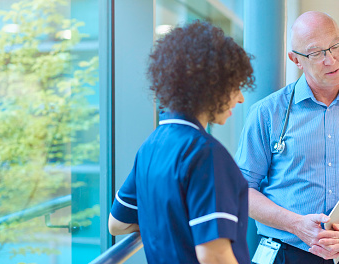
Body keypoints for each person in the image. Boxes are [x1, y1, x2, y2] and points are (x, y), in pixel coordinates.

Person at [235, 11, 339, 263]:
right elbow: (242, 190)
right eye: (316, 53)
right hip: (288, 251)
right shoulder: (268, 113)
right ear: (295, 60)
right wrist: (295, 224)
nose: (330, 59)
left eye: (335, 46)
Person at [107, 21, 255, 264]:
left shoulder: (150, 147)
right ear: (211, 85)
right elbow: (214, 255)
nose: (240, 98)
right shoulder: (206, 155)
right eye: (235, 86)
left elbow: (117, 223)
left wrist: (174, 223)